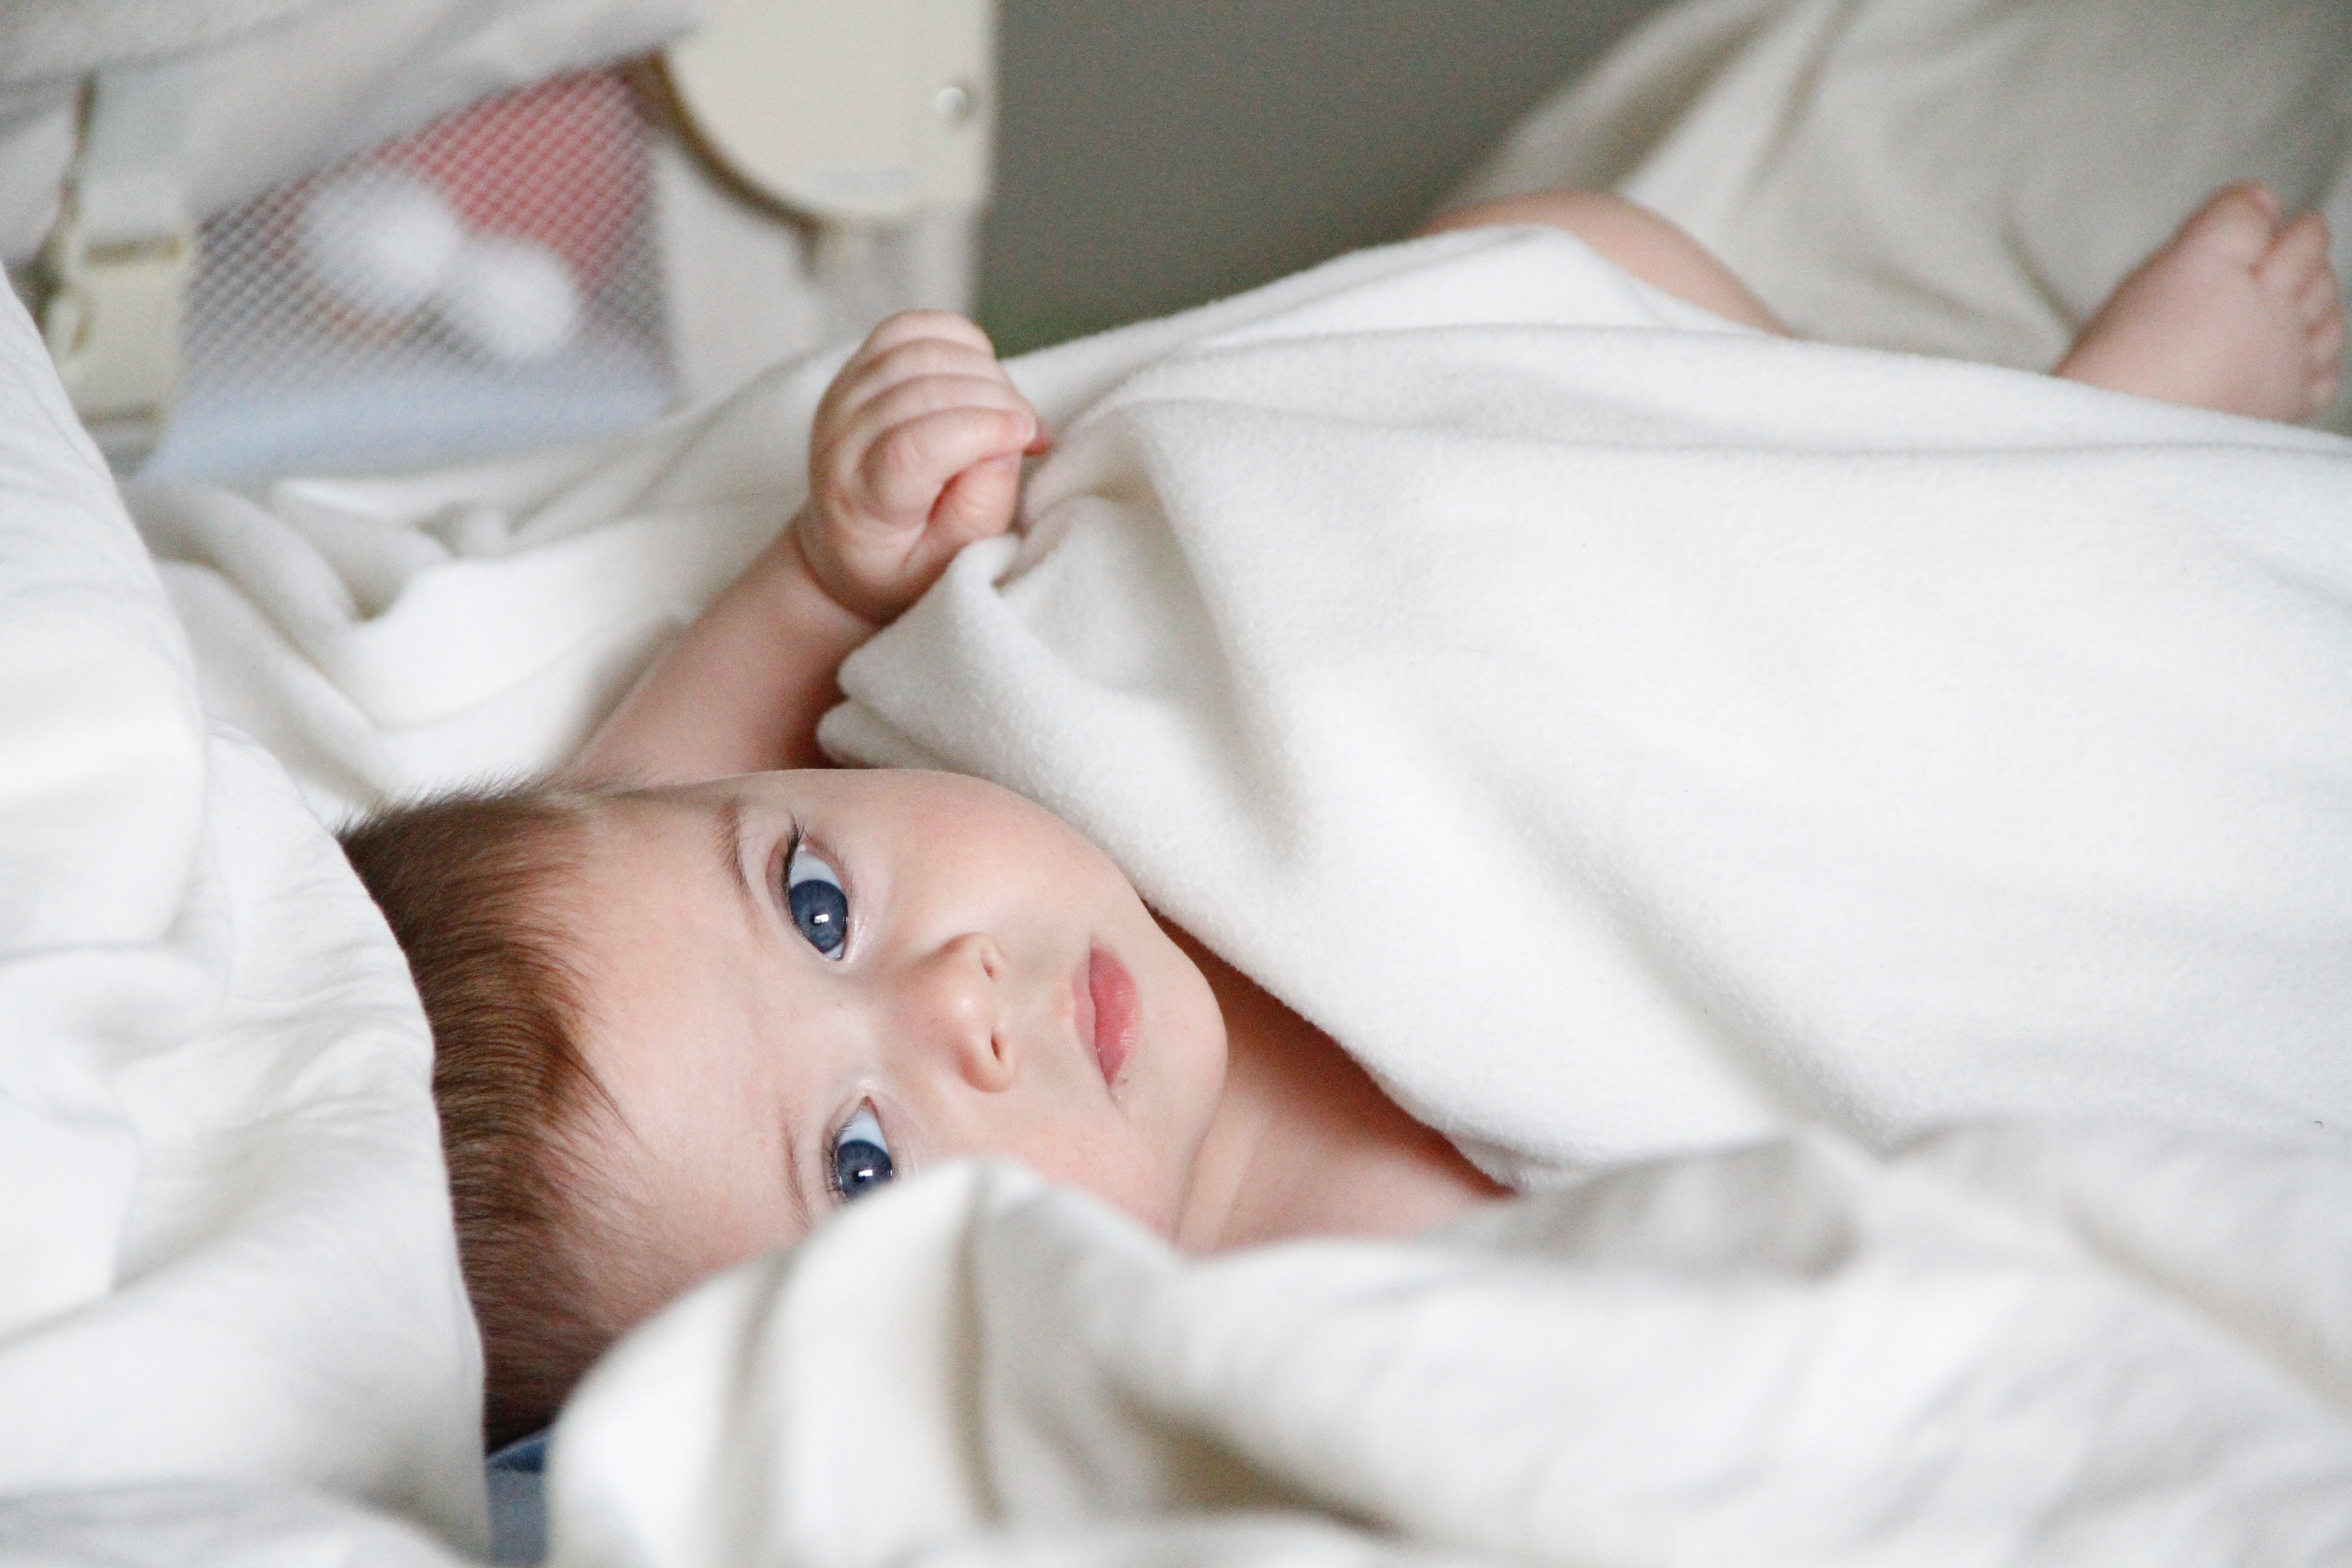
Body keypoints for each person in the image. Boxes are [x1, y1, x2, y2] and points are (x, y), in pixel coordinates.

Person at [339, 183, 2345, 1446]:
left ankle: (2005, 458)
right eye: (861, 1161)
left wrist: (829, 570)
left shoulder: (1031, 764)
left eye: (818, 904)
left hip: (1658, 637)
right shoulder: (1264, 1345)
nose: (958, 993)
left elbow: (634, 803)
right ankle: (2118, 472)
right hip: (1879, 931)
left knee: (1590, 274)